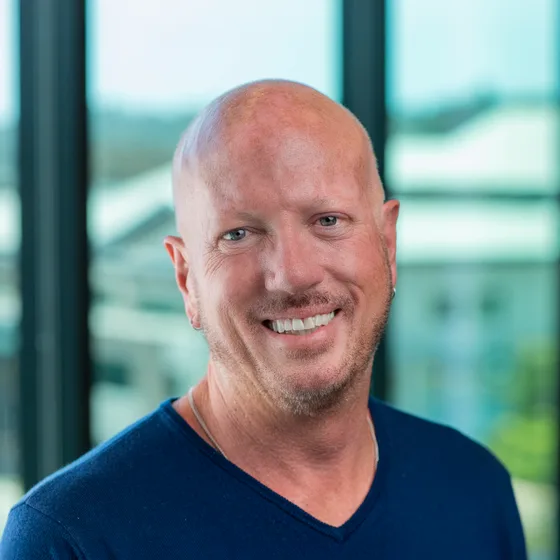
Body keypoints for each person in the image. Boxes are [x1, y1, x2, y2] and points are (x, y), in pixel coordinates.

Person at [1, 79, 526, 559]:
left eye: (328, 221)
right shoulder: (70, 538)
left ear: (387, 244)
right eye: (238, 234)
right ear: (187, 279)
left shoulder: (473, 489)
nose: (293, 275)